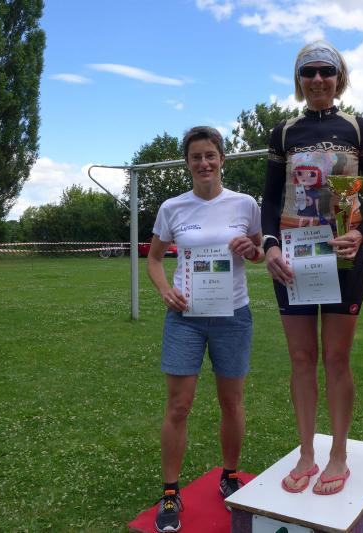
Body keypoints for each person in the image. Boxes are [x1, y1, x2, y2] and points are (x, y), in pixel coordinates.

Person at [261, 41, 363, 496]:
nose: (317, 79)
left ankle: (338, 454)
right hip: (293, 258)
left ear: (339, 77)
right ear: (299, 79)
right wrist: (270, 246)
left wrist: (362, 233)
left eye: (325, 71)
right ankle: (306, 453)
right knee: (301, 360)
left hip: (344, 256)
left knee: (336, 359)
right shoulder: (283, 133)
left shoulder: (358, 127)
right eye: (309, 72)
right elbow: (270, 199)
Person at [147, 126, 263, 532]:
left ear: (222, 159)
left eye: (210, 155)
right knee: (179, 406)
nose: (204, 163)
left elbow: (260, 252)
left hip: (233, 316)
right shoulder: (172, 208)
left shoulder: (245, 204)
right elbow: (154, 259)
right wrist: (165, 291)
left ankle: (229, 475)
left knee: (232, 403)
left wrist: (253, 250)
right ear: (187, 163)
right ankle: (170, 492)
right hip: (186, 318)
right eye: (196, 157)